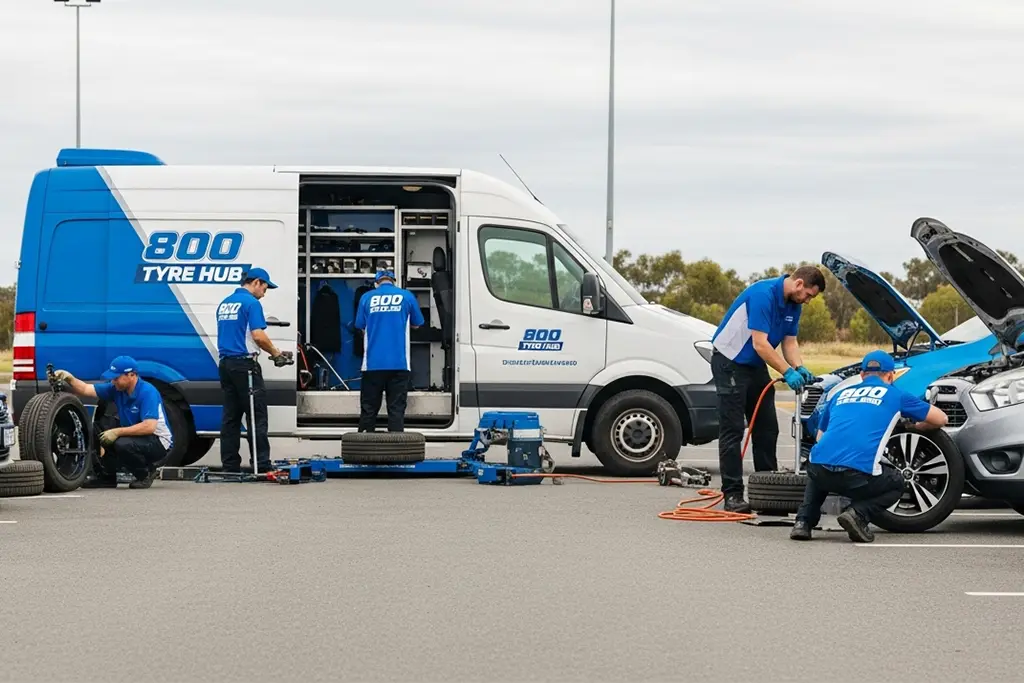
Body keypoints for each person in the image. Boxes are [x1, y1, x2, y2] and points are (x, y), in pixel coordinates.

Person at [790, 350, 949, 543]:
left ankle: (803, 523)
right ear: (891, 376)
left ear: (862, 375)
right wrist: (915, 426)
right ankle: (858, 514)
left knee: (821, 460)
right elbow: (941, 418)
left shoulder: (840, 393)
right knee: (897, 482)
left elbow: (819, 437)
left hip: (818, 470)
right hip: (857, 478)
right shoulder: (896, 394)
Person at [710, 265, 827, 513]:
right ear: (798, 284)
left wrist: (799, 367)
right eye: (808, 295)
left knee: (767, 428)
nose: (807, 301)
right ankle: (732, 495)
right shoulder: (763, 294)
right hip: (730, 362)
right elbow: (761, 344)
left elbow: (790, 342)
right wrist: (787, 372)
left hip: (753, 365)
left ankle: (766, 491)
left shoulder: (793, 305)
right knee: (732, 430)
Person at [53, 356, 173, 489]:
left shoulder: (147, 392)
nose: (113, 381)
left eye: (116, 378)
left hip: (159, 443)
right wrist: (69, 378)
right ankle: (106, 476)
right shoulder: (116, 388)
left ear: (131, 375)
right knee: (96, 429)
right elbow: (86, 389)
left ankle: (145, 473)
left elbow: (149, 426)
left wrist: (117, 432)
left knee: (121, 444)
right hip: (137, 435)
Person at [216, 267, 283, 473]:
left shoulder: (226, 303)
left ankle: (230, 466)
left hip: (226, 365)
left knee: (231, 417)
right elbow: (258, 336)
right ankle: (261, 465)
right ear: (256, 282)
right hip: (245, 366)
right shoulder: (251, 303)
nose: (265, 292)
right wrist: (276, 353)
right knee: (256, 415)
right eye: (265, 287)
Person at [354, 269, 425, 432]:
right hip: (399, 363)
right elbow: (417, 324)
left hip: (372, 364)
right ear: (393, 281)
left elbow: (360, 326)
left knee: (369, 410)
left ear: (376, 283)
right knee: (396, 411)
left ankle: (364, 449)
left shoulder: (366, 297)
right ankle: (396, 448)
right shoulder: (406, 296)